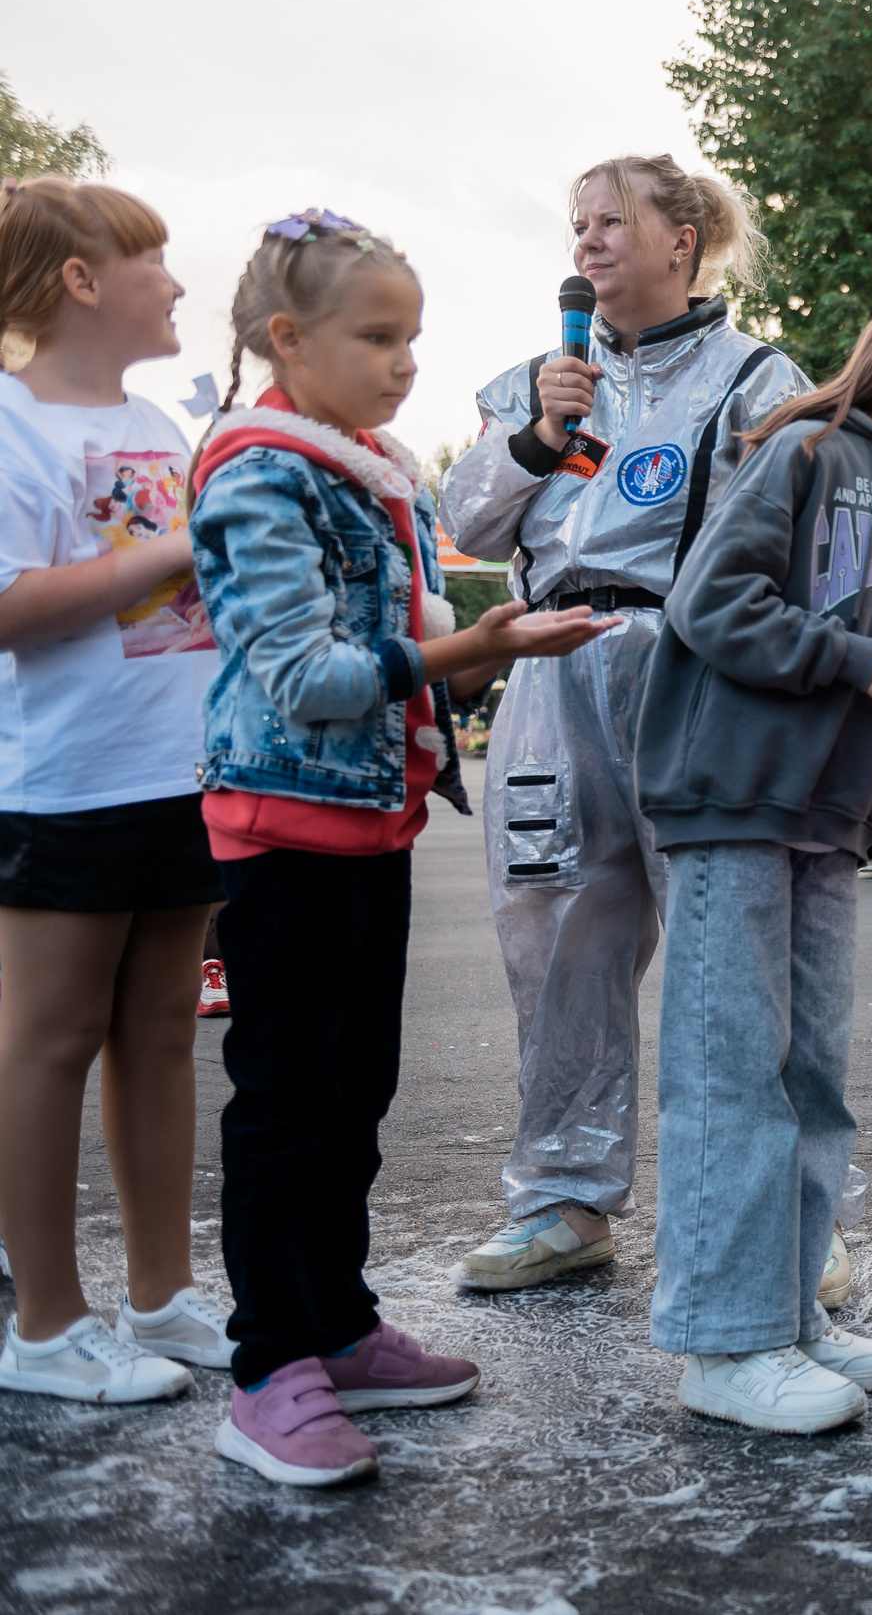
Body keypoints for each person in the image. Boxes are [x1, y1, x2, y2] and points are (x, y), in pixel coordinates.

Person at [189, 210, 613, 1485]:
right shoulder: (259, 469)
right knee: (286, 1103)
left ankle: (339, 1319)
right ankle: (268, 1364)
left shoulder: (371, 467)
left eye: (411, 336)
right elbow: (302, 671)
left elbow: (410, 616)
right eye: (377, 336)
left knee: (355, 1090)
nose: (404, 362)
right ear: (286, 338)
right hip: (280, 821)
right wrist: (480, 649)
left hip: (371, 820)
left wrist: (493, 632)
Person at [632, 275, 872, 1432]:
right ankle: (724, 1339)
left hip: (825, 822)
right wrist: (856, 664)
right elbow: (710, 603)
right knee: (731, 1067)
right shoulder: (801, 452)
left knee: (810, 1080)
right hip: (737, 801)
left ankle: (787, 1312)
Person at [442, 157, 810, 1293]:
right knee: (553, 935)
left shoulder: (756, 379)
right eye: (577, 224)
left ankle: (779, 1208)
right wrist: (537, 441)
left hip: (694, 669)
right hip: (549, 665)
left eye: (613, 221)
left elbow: (799, 527)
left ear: (683, 239)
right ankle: (563, 1197)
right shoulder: (532, 384)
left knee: (730, 944)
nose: (589, 242)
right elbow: (459, 516)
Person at [0, 179, 230, 1406]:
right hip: (64, 784)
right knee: (45, 1042)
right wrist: (183, 545)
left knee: (158, 1035)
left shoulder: (152, 418)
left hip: (176, 772)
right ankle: (44, 1323)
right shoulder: (6, 422)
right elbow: (7, 605)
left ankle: (162, 1294)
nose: (177, 283)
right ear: (81, 282)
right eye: (153, 261)